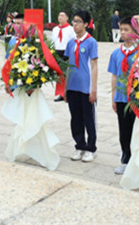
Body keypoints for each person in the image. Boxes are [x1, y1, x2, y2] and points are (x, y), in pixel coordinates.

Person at [65, 10, 98, 163]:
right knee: (75, 118)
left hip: (86, 87)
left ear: (86, 24)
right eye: (74, 21)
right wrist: (65, 88)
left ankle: (90, 148)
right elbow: (67, 65)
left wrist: (93, 89)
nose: (75, 24)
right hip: (72, 86)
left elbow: (94, 66)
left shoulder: (91, 42)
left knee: (88, 118)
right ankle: (80, 145)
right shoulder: (71, 43)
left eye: (78, 21)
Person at [107, 17, 137, 175]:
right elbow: (114, 76)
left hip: (136, 100)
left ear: (134, 32)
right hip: (120, 98)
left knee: (136, 131)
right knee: (123, 131)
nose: (123, 33)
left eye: (127, 30)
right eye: (122, 29)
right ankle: (125, 160)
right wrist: (113, 96)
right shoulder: (116, 53)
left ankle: (136, 161)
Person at [52, 11, 75, 101]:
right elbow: (53, 41)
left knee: (67, 74)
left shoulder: (71, 29)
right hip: (57, 51)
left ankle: (69, 92)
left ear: (67, 18)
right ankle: (61, 93)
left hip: (67, 52)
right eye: (59, 15)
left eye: (62, 15)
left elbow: (73, 41)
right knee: (59, 74)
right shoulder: (55, 29)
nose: (60, 17)